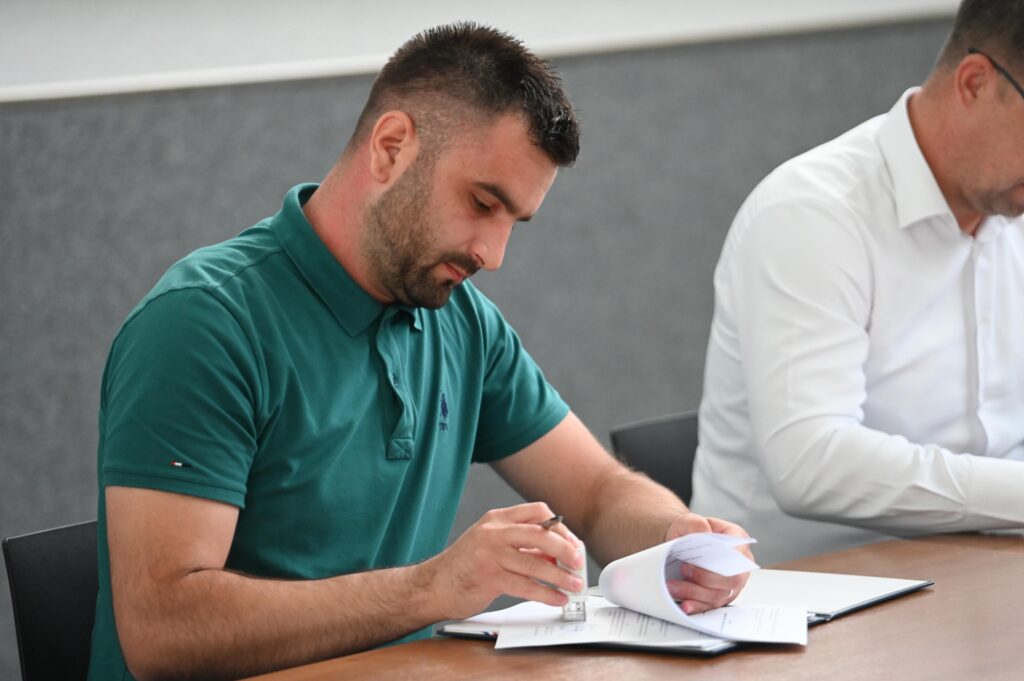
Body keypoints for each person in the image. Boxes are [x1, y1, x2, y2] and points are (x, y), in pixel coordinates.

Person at [89, 23, 751, 681]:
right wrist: (434, 586)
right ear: (391, 148)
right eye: (482, 202)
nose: (493, 254)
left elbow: (597, 491)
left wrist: (676, 537)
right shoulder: (202, 323)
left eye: (513, 222)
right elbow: (163, 631)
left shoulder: (462, 321)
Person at [691, 0, 1024, 566]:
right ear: (975, 83)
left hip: (982, 566)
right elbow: (810, 463)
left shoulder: (1009, 198)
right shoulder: (812, 214)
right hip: (805, 592)